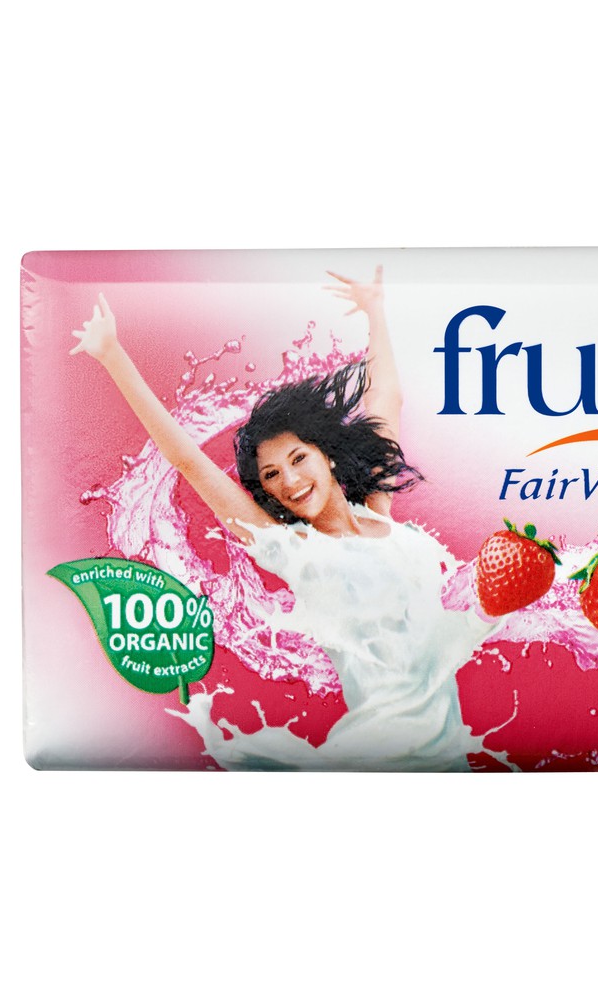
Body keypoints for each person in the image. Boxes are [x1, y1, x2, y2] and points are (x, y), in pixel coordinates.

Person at [71, 269, 513, 771]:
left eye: (298, 458)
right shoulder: (294, 550)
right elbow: (188, 461)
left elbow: (386, 400)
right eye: (272, 475)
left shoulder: (380, 513)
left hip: (444, 758)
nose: (290, 481)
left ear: (327, 455)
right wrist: (113, 355)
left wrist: (375, 309)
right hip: (378, 755)